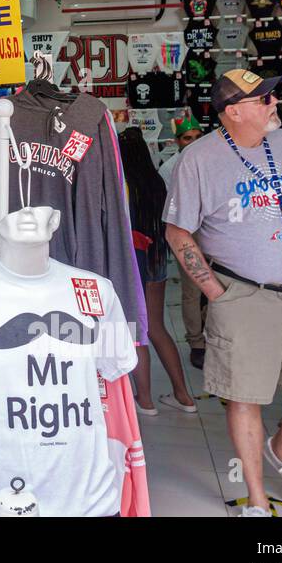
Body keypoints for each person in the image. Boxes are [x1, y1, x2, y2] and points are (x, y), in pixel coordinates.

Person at [164, 69, 282, 517]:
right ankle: (255, 499)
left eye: (271, 96)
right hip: (244, 293)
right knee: (244, 395)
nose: (274, 104)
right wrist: (218, 293)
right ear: (233, 111)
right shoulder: (198, 160)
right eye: (263, 99)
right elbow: (178, 233)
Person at [120, 127, 196, 417]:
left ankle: (146, 400)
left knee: (136, 331)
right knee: (157, 327)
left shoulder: (122, 184)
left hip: (133, 260)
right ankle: (183, 395)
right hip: (157, 260)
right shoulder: (156, 181)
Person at [159, 114, 209, 370]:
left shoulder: (215, 162)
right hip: (187, 234)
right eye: (188, 138)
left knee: (222, 286)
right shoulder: (170, 169)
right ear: (177, 141)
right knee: (192, 291)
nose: (193, 142)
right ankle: (196, 343)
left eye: (198, 137)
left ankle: (214, 338)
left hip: (216, 232)